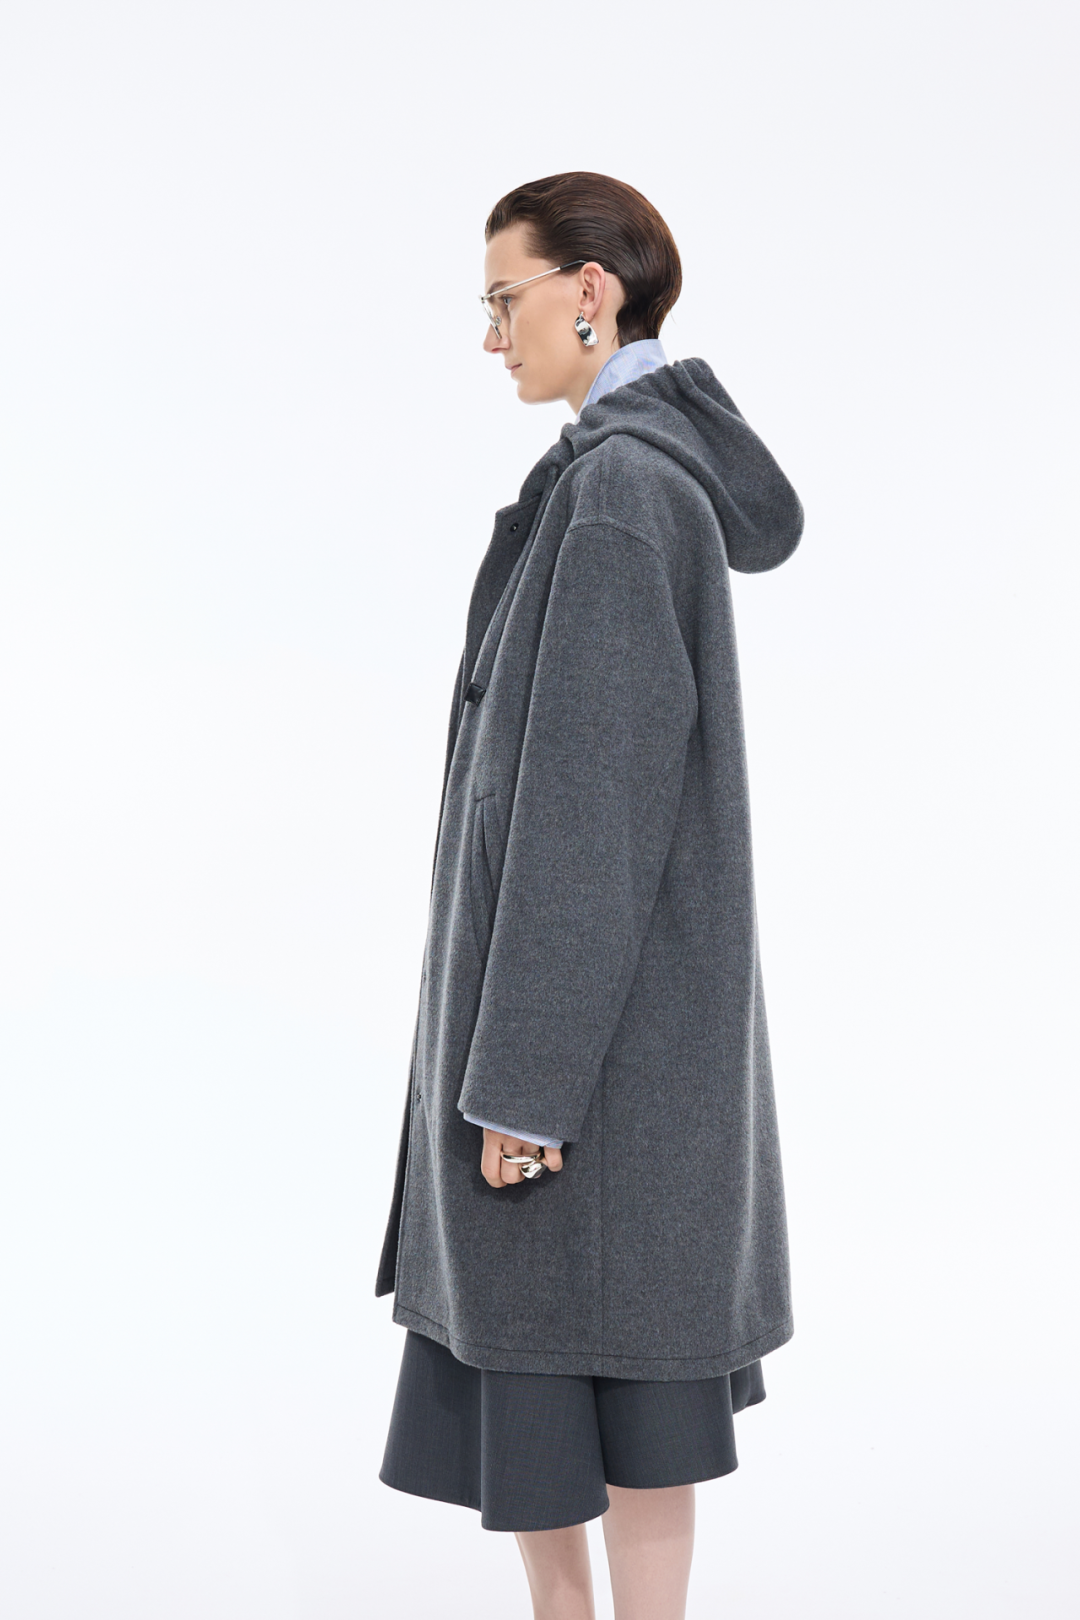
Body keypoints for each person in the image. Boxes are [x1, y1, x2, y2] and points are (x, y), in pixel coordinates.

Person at [376, 171, 803, 1620]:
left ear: (590, 291)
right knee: (578, 1383)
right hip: (604, 1046)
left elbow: (591, 818)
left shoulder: (619, 491)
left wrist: (526, 1085)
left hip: (584, 1065)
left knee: (596, 1382)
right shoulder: (611, 480)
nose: (492, 335)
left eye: (505, 298)